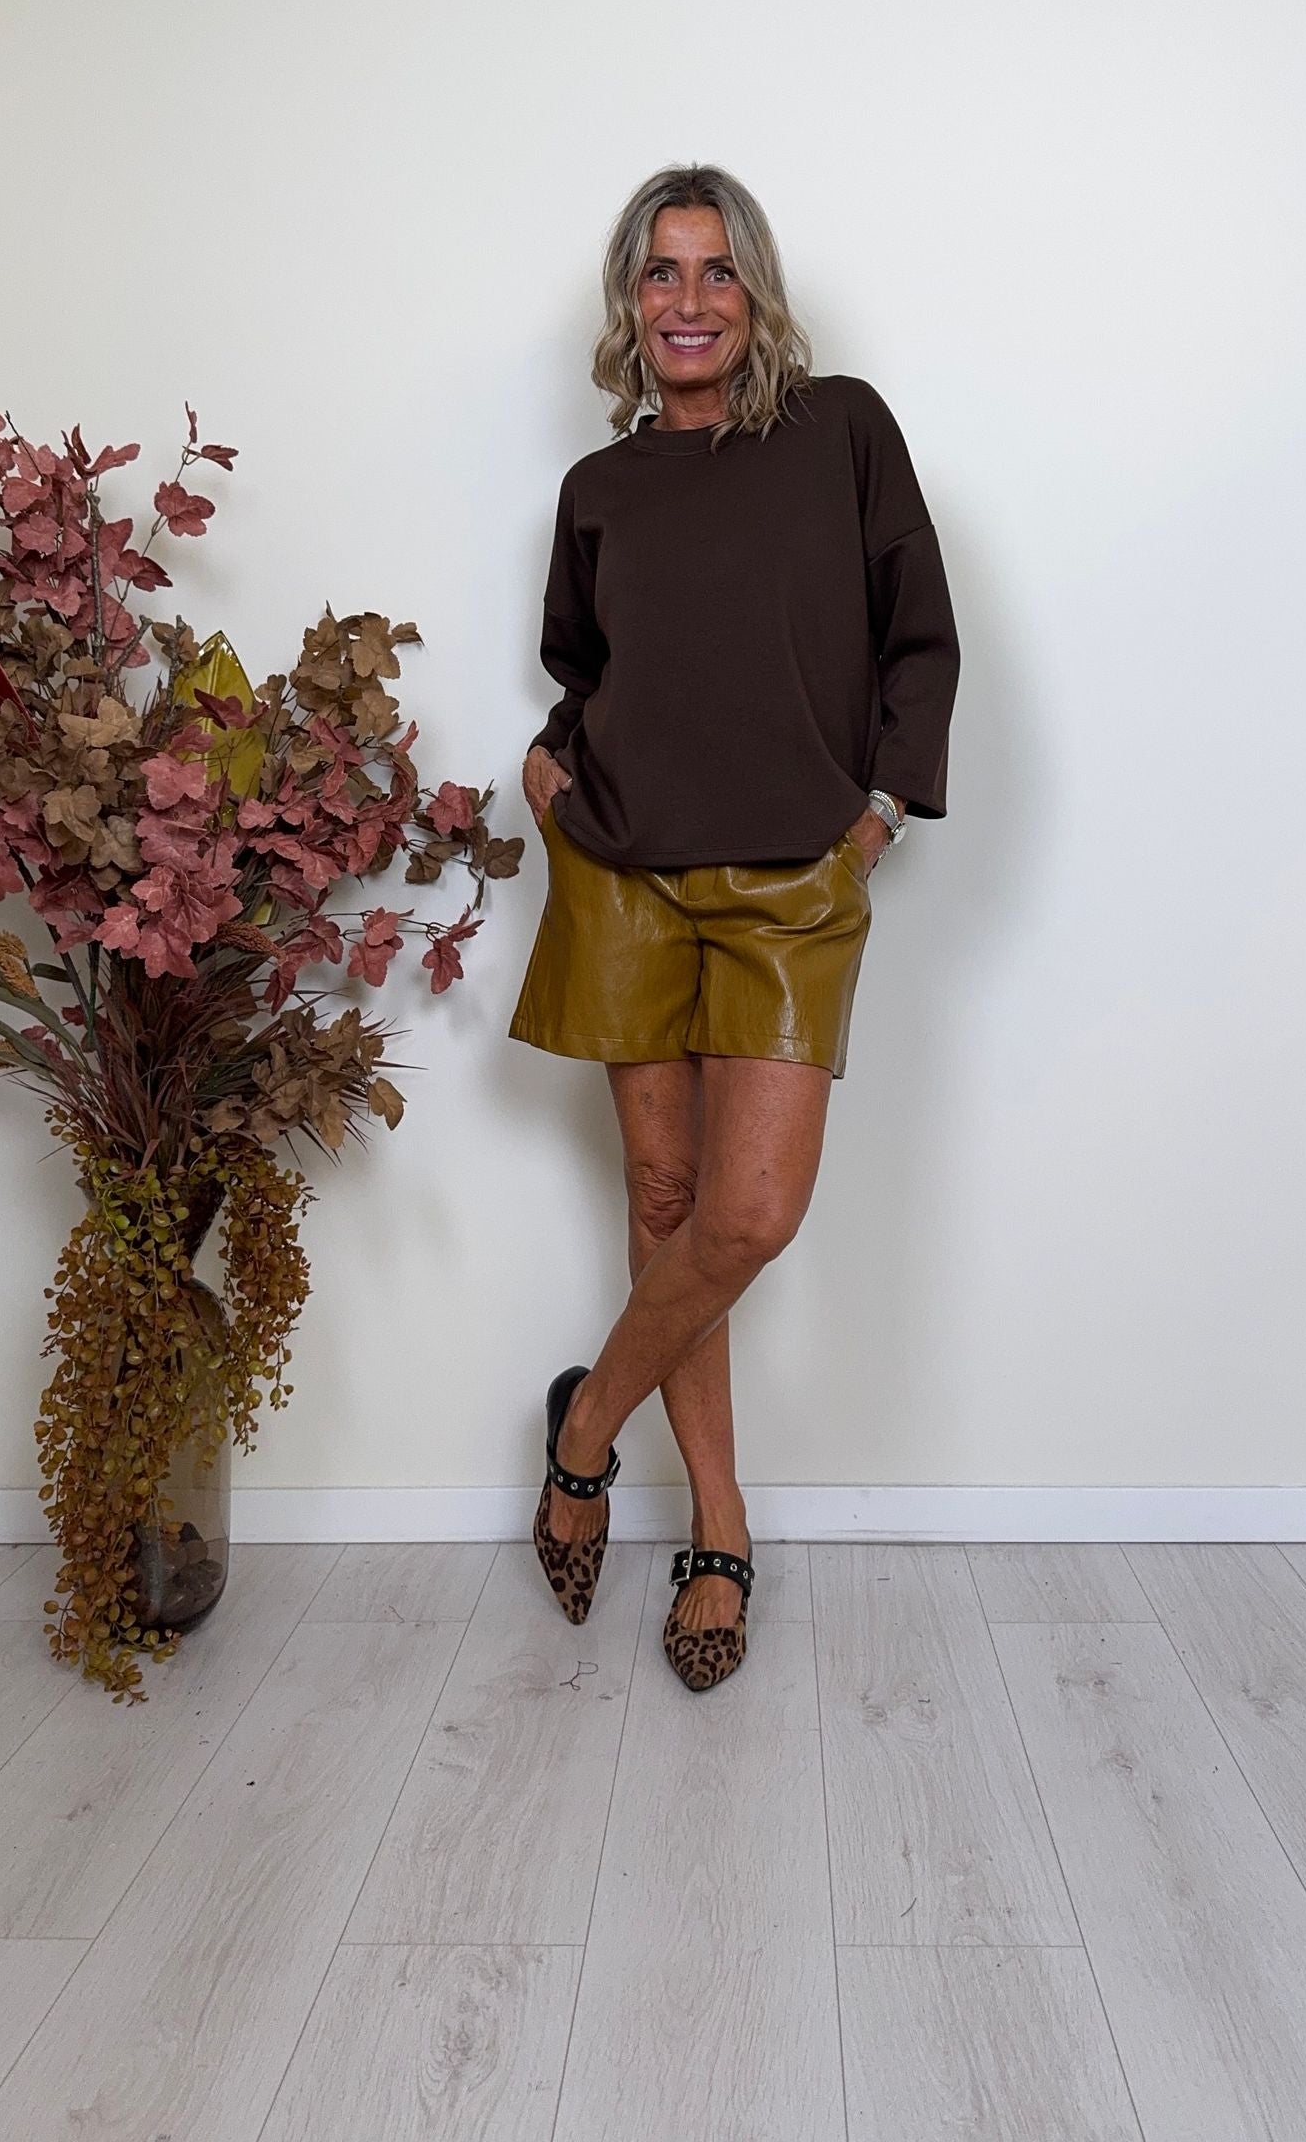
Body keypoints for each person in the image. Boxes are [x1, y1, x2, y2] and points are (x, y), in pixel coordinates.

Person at [509, 163, 960, 1690]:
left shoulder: (840, 432)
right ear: (629, 304)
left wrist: (883, 809)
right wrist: (550, 763)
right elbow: (589, 670)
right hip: (624, 865)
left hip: (790, 878)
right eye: (661, 272)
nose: (689, 301)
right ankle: (718, 1523)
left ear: (757, 293)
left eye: (717, 271)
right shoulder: (600, 490)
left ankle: (583, 1430)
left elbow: (920, 635)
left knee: (748, 1214)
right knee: (665, 1192)